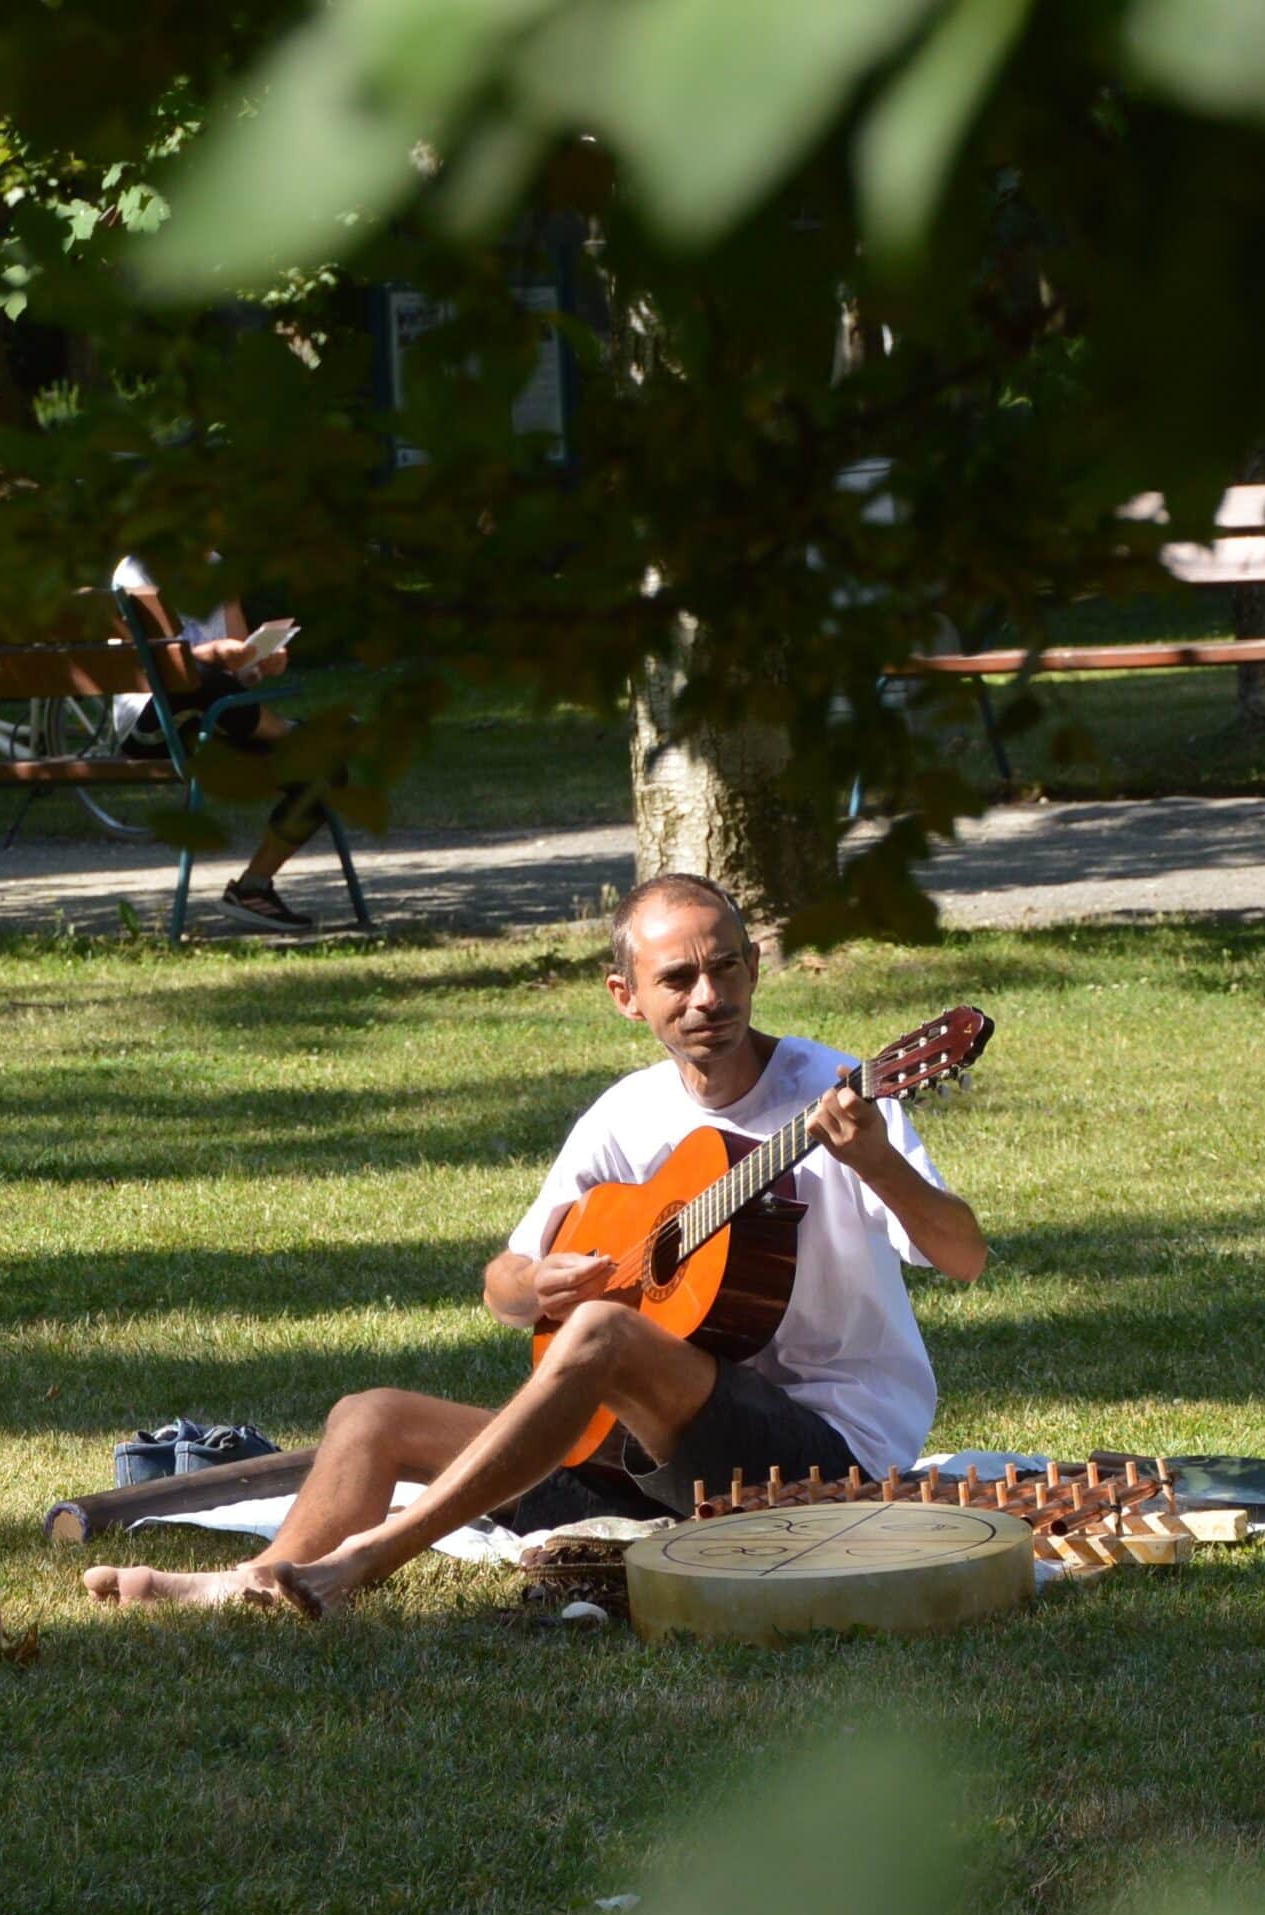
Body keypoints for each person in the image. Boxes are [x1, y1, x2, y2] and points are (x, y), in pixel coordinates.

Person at [83, 872, 989, 1617]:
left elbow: (963, 1257)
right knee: (371, 1414)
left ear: (755, 967)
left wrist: (877, 1162)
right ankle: (254, 1581)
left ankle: (362, 1562)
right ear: (626, 997)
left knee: (602, 1333)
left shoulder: (835, 1092)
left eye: (725, 968)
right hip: (641, 1462)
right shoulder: (626, 1114)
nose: (708, 997)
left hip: (822, 1456)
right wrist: (538, 1283)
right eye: (677, 979)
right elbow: (505, 1284)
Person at [110, 556, 338, 932]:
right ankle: (289, 731)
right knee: (197, 677)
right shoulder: (140, 567)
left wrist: (258, 661)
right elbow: (159, 664)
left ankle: (253, 888)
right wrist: (216, 655)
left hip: (215, 725)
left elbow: (238, 673)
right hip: (154, 727)